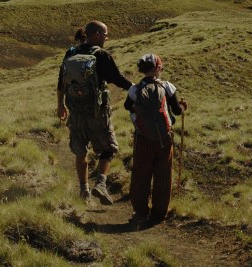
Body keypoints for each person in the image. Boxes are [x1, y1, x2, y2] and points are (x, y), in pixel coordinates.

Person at [57, 21, 133, 204]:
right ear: (97, 35)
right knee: (109, 148)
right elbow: (118, 79)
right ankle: (100, 183)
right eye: (105, 35)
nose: (106, 38)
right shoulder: (101, 55)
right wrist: (138, 89)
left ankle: (84, 189)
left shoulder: (71, 53)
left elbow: (61, 84)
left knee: (80, 152)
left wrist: (61, 106)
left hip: (75, 113)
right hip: (97, 114)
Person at [125, 53, 187, 224]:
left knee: (141, 173)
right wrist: (182, 107)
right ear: (158, 68)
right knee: (163, 174)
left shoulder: (134, 90)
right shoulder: (167, 87)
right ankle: (159, 213)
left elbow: (127, 106)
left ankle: (140, 211)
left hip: (143, 138)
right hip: (164, 139)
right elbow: (176, 111)